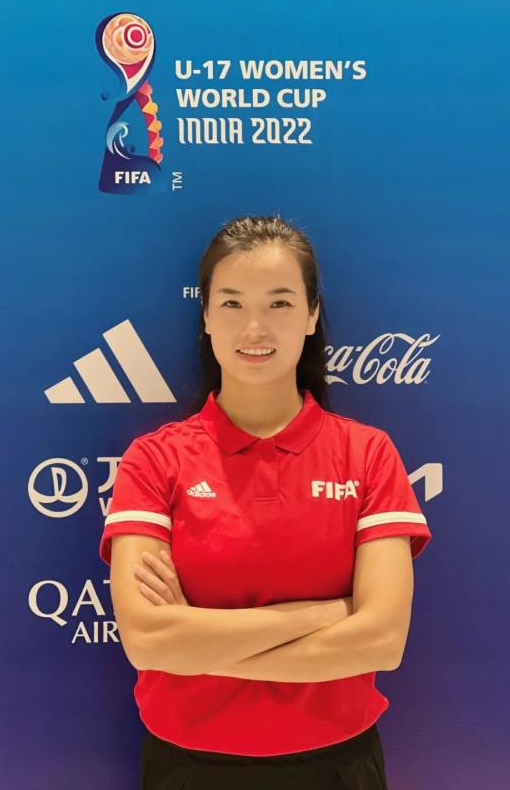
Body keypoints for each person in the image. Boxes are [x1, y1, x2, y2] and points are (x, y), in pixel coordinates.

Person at [99, 214, 432, 789]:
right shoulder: (154, 459)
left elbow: (381, 641)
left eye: (279, 303)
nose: (255, 327)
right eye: (231, 303)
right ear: (206, 316)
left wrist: (197, 647)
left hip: (336, 767)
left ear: (311, 315)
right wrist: (327, 614)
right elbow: (148, 641)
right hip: (188, 768)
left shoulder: (367, 454)